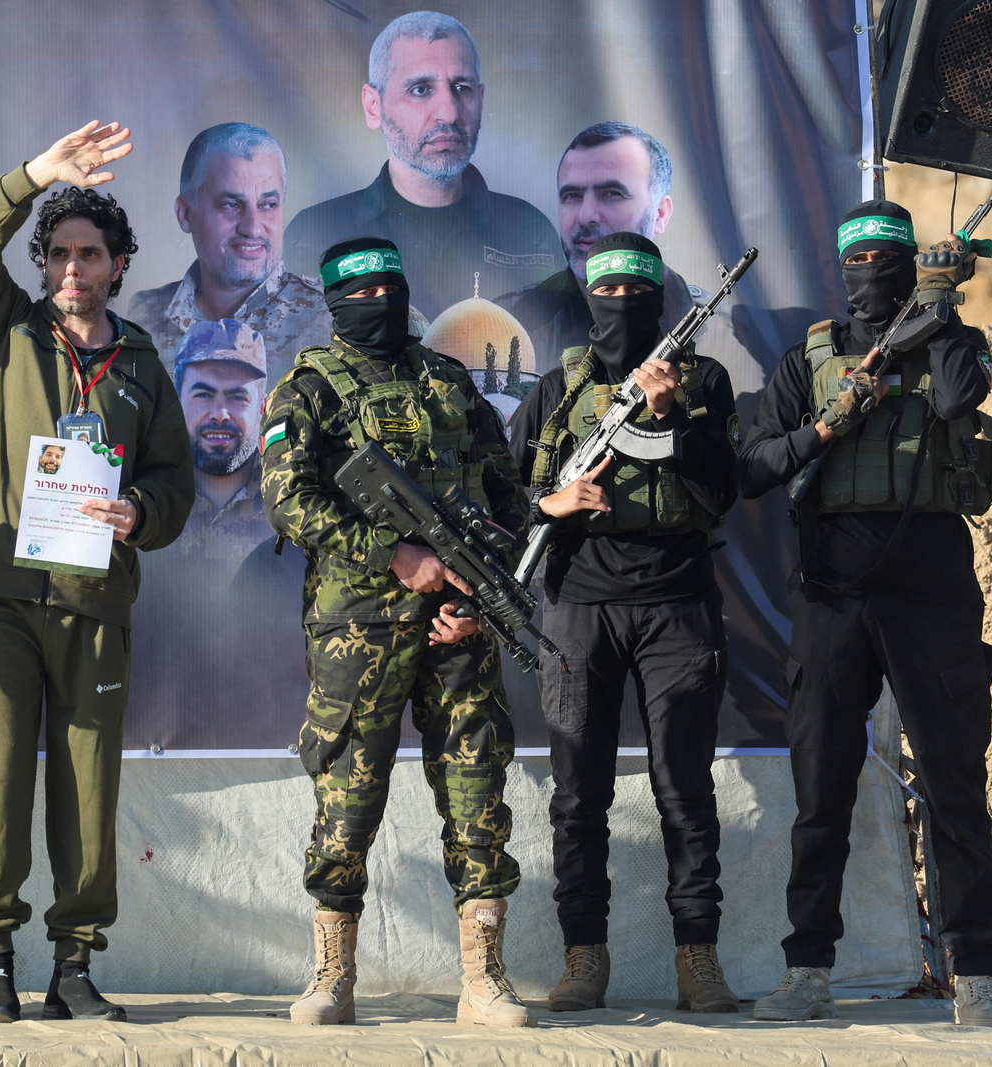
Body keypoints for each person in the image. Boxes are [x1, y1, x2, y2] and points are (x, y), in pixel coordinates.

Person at [0, 121, 195, 1024]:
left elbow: (174, 480)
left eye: (90, 254)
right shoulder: (8, 330)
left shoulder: (142, 366)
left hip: (95, 598)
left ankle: (76, 962)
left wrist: (142, 513)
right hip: (1, 596)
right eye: (57, 253)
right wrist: (35, 176)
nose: (71, 269)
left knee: (89, 783)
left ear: (120, 264)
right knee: (1, 777)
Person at [736, 201, 992, 1027]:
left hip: (929, 583)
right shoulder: (811, 359)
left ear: (906, 264)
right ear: (841, 265)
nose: (868, 276)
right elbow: (753, 468)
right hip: (830, 587)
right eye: (855, 260)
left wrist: (944, 310)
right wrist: (827, 425)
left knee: (954, 778)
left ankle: (975, 973)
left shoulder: (948, 342)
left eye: (884, 261)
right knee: (820, 785)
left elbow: (963, 400)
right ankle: (808, 968)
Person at [263, 235, 534, 1028]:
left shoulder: (449, 380)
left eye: (390, 288)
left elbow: (506, 495)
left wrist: (480, 593)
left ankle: (484, 977)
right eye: (360, 292)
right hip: (360, 626)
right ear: (335, 302)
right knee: (347, 796)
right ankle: (332, 974)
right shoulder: (308, 388)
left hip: (457, 627)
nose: (377, 302)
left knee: (477, 791)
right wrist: (396, 553)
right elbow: (290, 499)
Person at [506, 231, 739, 1014]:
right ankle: (584, 957)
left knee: (684, 787)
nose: (621, 307)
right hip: (578, 608)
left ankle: (698, 959)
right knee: (578, 794)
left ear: (660, 299)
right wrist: (551, 504)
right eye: (607, 293)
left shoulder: (702, 381)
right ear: (588, 297)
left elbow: (722, 489)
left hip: (678, 603)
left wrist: (669, 412)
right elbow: (502, 493)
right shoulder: (557, 391)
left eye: (636, 294)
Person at [283, 11, 559, 321]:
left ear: (480, 99)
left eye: (462, 88)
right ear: (374, 107)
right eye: (420, 89)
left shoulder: (531, 232)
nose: (449, 113)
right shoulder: (314, 234)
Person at [125, 123, 331, 387]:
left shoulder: (330, 317)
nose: (253, 227)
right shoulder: (144, 316)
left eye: (268, 205)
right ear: (185, 214)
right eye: (231, 205)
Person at [501, 122, 698, 361]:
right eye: (572, 196)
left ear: (660, 214)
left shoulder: (721, 331)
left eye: (611, 194)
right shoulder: (509, 324)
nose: (586, 215)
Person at [170, 319, 273, 579]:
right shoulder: (148, 494)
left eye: (238, 397)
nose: (220, 414)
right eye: (203, 395)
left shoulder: (293, 495)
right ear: (176, 401)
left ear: (262, 406)